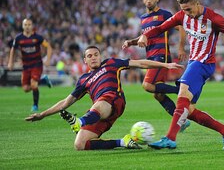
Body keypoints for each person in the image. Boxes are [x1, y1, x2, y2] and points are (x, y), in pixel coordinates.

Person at [137, 0, 224, 150]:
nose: (186, 13)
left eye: (189, 9)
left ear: (197, 4)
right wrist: (145, 36)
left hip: (203, 63)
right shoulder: (182, 16)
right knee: (188, 110)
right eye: (183, 9)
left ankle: (170, 138)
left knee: (182, 94)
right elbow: (161, 28)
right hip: (194, 63)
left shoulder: (213, 18)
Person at [25, 45, 184, 151]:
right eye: (89, 56)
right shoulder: (83, 80)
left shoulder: (111, 63)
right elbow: (66, 102)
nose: (93, 57)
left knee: (101, 102)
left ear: (100, 56)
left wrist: (165, 65)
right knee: (80, 144)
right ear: (85, 60)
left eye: (96, 54)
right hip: (99, 112)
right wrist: (42, 114)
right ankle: (123, 142)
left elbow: (140, 63)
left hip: (114, 100)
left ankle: (79, 122)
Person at [122, 0, 190, 131]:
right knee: (158, 95)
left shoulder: (164, 14)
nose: (149, 1)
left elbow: (181, 28)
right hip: (151, 56)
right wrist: (131, 42)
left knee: (147, 85)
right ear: (143, 0)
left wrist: (181, 48)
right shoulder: (143, 18)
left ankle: (179, 90)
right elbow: (145, 37)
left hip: (161, 55)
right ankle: (181, 121)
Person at [7, 18, 53, 112]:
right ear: (22, 26)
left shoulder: (37, 37)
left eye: (29, 25)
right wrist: (10, 62)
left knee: (34, 84)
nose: (27, 27)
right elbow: (13, 49)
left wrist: (48, 59)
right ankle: (43, 80)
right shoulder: (19, 38)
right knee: (26, 89)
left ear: (32, 26)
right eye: (25, 25)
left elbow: (48, 47)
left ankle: (35, 106)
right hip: (26, 66)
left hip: (37, 64)